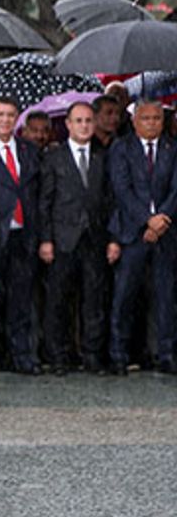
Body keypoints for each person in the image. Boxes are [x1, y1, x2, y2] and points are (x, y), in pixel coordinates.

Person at [39, 102, 115, 376]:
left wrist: (112, 239)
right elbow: (44, 202)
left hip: (94, 239)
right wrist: (45, 239)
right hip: (62, 239)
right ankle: (58, 355)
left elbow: (109, 201)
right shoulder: (53, 158)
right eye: (78, 121)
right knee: (58, 299)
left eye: (88, 121)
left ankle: (92, 355)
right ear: (68, 125)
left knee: (93, 299)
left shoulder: (101, 157)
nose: (84, 126)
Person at [107, 99, 177, 375]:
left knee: (166, 296)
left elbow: (175, 189)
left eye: (156, 118)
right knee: (124, 295)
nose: (151, 123)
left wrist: (162, 220)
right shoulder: (121, 148)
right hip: (131, 232)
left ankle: (166, 353)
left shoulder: (173, 149)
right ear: (134, 121)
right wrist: (147, 220)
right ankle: (118, 354)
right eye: (145, 118)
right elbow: (121, 189)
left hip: (167, 231)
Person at [0, 97, 42, 375]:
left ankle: (22, 357)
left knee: (21, 300)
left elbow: (37, 194)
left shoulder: (29, 150)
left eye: (11, 115)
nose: (5, 120)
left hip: (23, 236)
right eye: (0, 115)